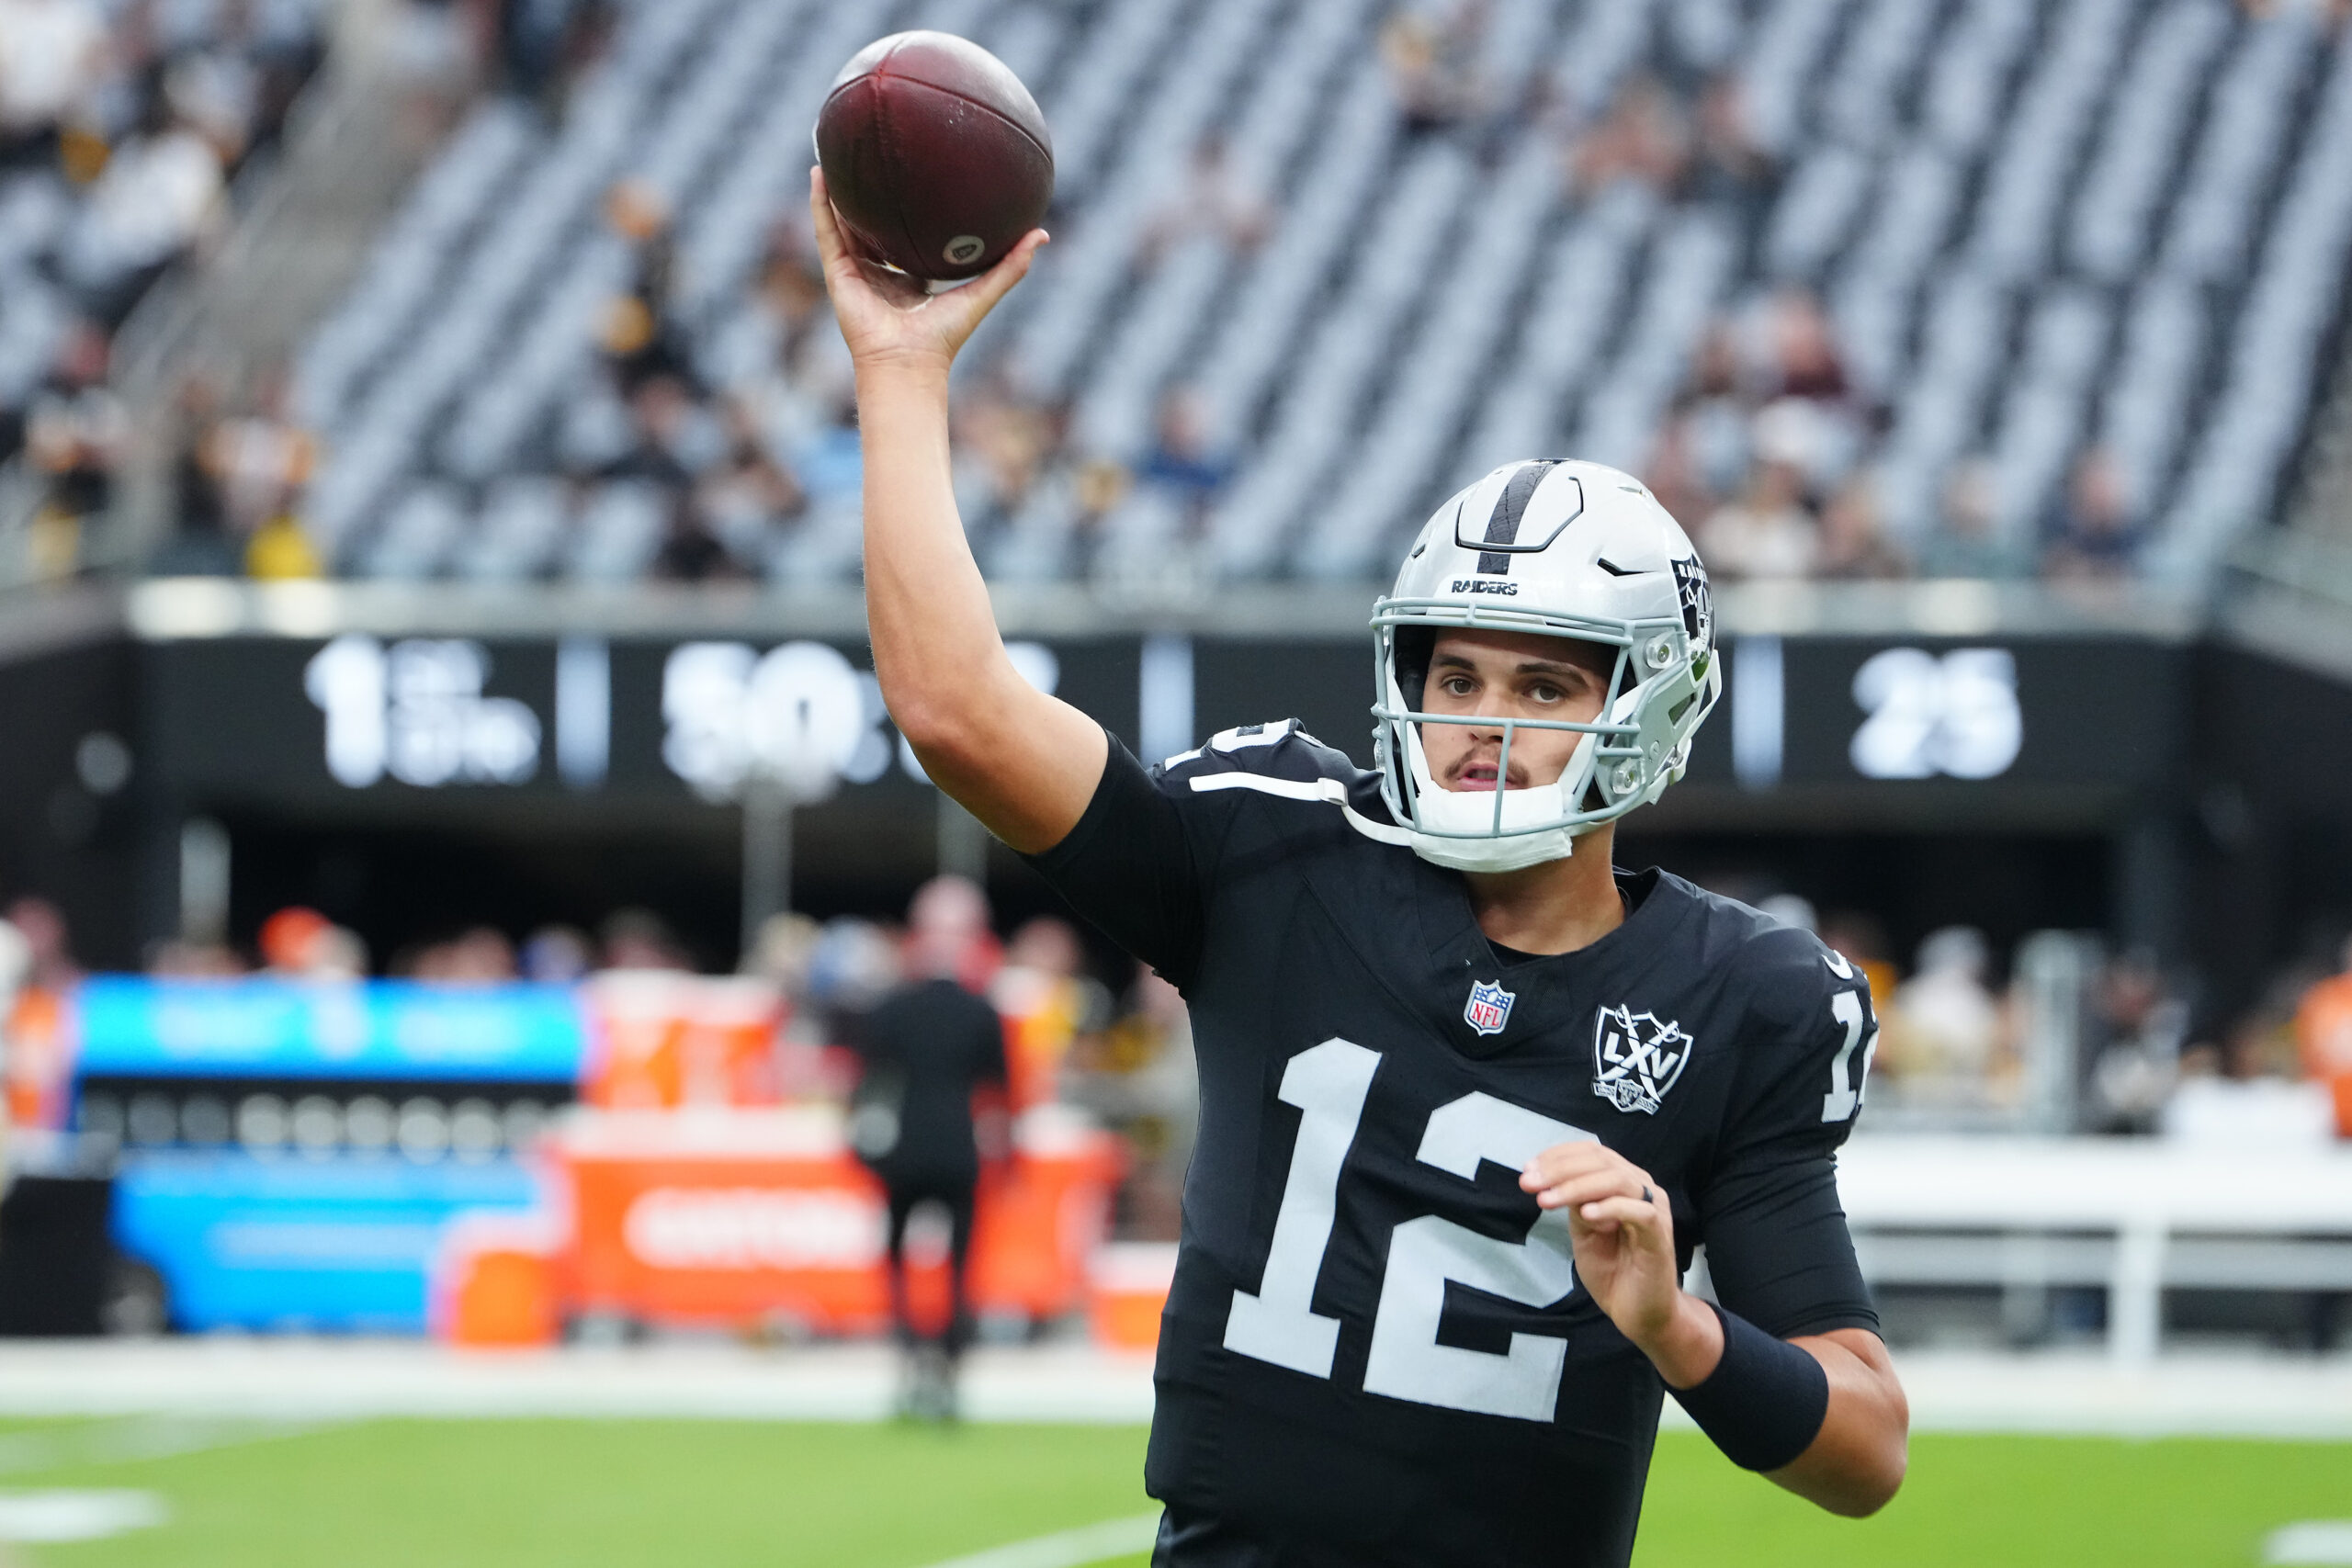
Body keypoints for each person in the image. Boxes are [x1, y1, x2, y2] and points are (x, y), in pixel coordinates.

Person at [813, 167, 1905, 1567]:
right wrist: (899, 371)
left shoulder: (1742, 994)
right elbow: (960, 712)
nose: (1482, 725)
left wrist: (1679, 1327)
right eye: (1455, 673)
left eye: (1544, 685)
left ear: (1649, 706)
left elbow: (1868, 1450)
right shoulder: (1278, 842)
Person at [844, 890, 1010, 1422]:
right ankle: (950, 1360)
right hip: (958, 1150)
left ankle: (909, 1350)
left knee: (896, 1256)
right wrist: (1004, 1162)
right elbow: (999, 1100)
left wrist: (862, 1151)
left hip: (903, 1150)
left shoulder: (892, 1009)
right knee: (960, 1267)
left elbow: (866, 1089)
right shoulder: (981, 1012)